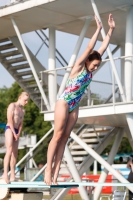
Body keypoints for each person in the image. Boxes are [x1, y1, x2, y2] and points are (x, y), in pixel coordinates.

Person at [44, 14, 115, 185]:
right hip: (64, 102)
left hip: (75, 106)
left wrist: (111, 29)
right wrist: (98, 29)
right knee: (57, 135)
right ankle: (48, 171)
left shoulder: (90, 70)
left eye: (98, 65)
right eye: (94, 65)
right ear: (88, 62)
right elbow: (91, 47)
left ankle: (55, 175)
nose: (96, 68)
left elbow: (102, 48)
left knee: (65, 138)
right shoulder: (78, 67)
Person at [1, 92, 29, 183]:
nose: (26, 102)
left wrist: (18, 134)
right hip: (9, 128)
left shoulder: (22, 110)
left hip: (16, 131)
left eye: (27, 101)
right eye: (25, 100)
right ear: (20, 97)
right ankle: (5, 174)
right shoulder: (12, 106)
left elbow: (21, 124)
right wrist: (13, 132)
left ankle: (13, 175)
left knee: (15, 153)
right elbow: (9, 120)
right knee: (9, 150)